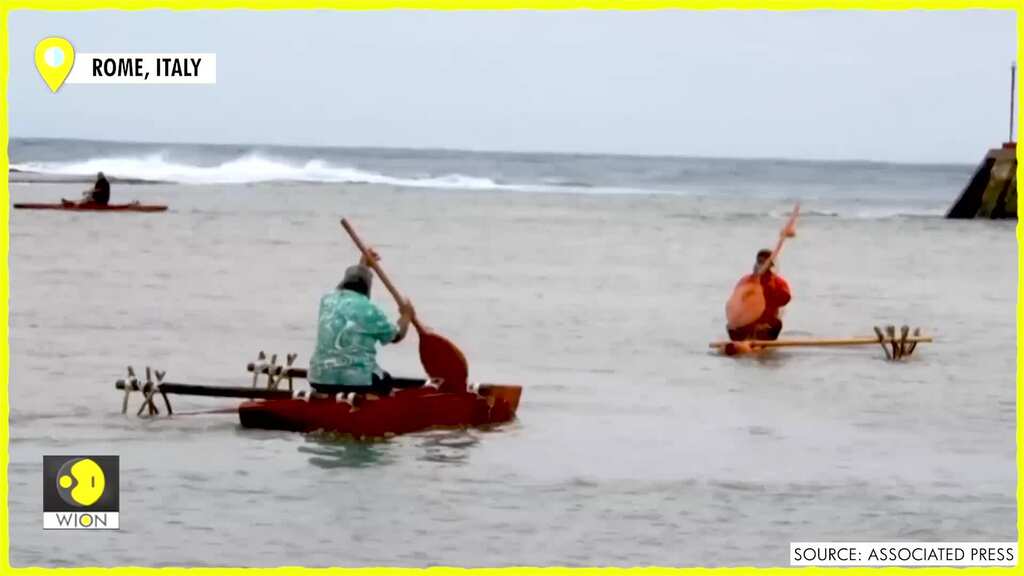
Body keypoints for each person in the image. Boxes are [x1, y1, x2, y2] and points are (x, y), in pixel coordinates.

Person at [308, 250, 415, 397]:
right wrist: (406, 317)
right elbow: (396, 335)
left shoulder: (327, 301)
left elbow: (345, 285)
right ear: (367, 288)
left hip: (319, 379)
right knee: (386, 381)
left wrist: (363, 264)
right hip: (357, 382)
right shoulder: (370, 310)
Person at [727, 248, 791, 341]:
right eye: (760, 261)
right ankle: (743, 341)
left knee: (777, 324)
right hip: (747, 323)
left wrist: (771, 292)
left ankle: (760, 340)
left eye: (765, 262)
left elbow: (785, 299)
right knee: (731, 326)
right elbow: (735, 301)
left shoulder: (778, 282)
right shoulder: (746, 280)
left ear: (771, 264)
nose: (762, 265)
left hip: (767, 324)